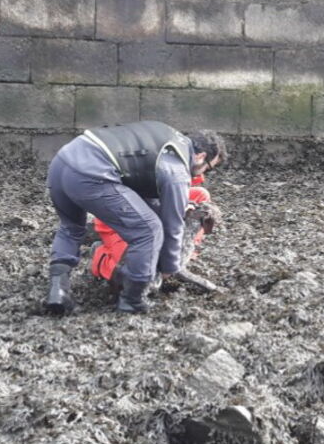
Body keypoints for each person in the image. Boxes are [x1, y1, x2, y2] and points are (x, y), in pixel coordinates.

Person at [45, 121, 226, 316]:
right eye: (208, 168)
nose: (204, 175)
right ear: (200, 157)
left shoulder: (166, 138)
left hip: (62, 161)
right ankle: (132, 300)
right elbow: (173, 225)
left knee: (71, 228)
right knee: (149, 230)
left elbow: (140, 188)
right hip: (92, 175)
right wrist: (170, 268)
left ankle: (58, 291)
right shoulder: (177, 165)